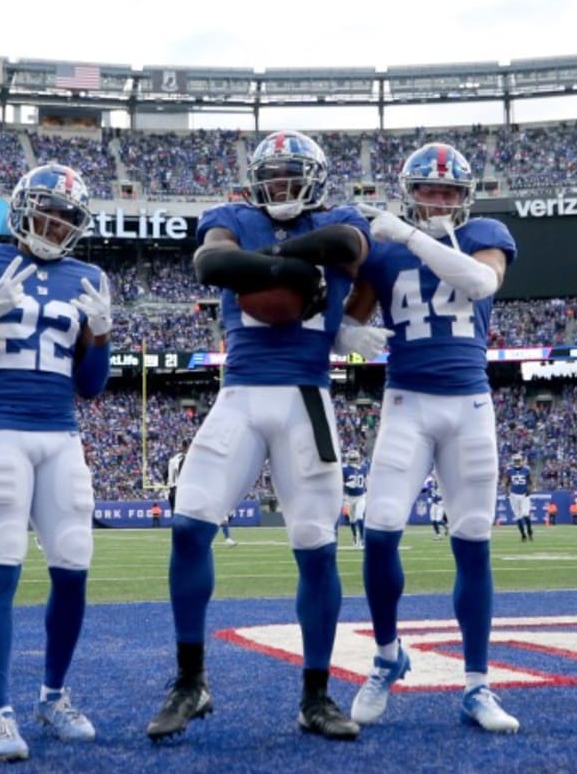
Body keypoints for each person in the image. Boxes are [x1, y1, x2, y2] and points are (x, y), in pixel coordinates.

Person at [146, 130, 370, 743]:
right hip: (239, 392)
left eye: (291, 174)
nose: (281, 186)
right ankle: (191, 681)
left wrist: (266, 263)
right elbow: (210, 263)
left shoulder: (342, 218)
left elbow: (346, 242)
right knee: (190, 524)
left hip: (305, 394)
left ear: (317, 178)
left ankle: (316, 696)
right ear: (255, 179)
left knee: (316, 545)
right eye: (272, 175)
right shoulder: (232, 218)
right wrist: (295, 269)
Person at [0, 163, 112, 761]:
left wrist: (102, 335)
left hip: (61, 434)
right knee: (2, 567)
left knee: (74, 566)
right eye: (46, 210)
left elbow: (92, 386)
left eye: (66, 216)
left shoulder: (88, 275)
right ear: (21, 207)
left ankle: (53, 696)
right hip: (1, 431)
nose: (54, 223)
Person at [342, 142, 520, 733]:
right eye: (428, 189)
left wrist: (413, 238)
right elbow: (351, 320)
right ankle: (388, 655)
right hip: (407, 403)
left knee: (473, 538)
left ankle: (476, 685)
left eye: (448, 191)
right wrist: (346, 337)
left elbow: (480, 282)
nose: (438, 199)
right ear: (409, 192)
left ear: (465, 197)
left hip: (470, 404)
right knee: (380, 530)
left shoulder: (483, 234)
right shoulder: (383, 254)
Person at [342, 448, 368, 549]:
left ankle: (362, 539)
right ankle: (355, 537)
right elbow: (341, 483)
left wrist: (368, 491)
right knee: (352, 519)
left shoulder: (363, 468)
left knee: (359, 516)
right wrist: (347, 484)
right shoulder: (345, 469)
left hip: (361, 496)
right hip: (349, 497)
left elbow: (366, 480)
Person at [503, 453, 533, 542]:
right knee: (518, 516)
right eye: (516, 461)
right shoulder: (509, 471)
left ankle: (529, 531)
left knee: (525, 513)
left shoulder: (526, 470)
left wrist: (530, 490)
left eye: (518, 460)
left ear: (521, 460)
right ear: (513, 461)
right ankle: (523, 535)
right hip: (514, 495)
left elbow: (531, 481)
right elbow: (506, 483)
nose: (517, 462)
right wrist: (506, 492)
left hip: (524, 495)